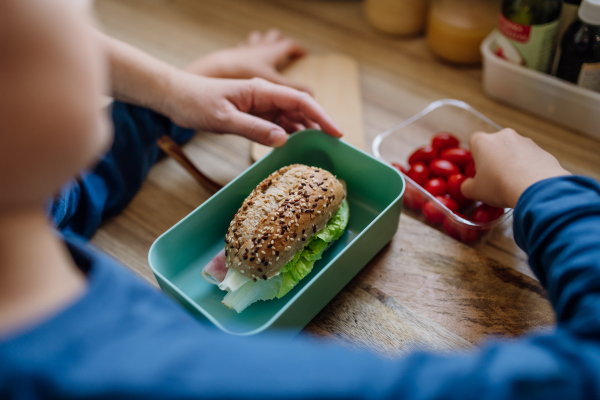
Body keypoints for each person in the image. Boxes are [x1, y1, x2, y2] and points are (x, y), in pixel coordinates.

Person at [1, 1, 600, 399]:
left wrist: (177, 90)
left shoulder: (39, 208)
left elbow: (81, 178)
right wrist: (545, 192)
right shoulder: (224, 380)